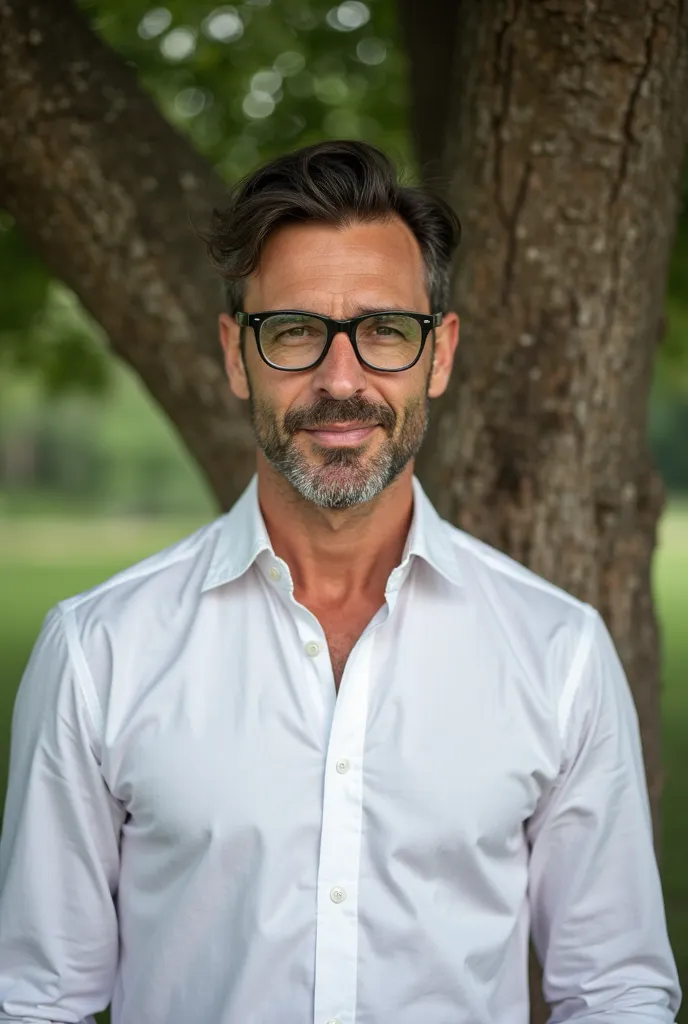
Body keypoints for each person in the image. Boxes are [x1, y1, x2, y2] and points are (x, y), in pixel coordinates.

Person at [0, 140, 680, 1024]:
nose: (342, 378)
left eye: (385, 331)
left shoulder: (559, 653)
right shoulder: (100, 651)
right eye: (294, 333)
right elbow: (37, 999)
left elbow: (616, 989)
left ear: (438, 355)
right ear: (237, 355)